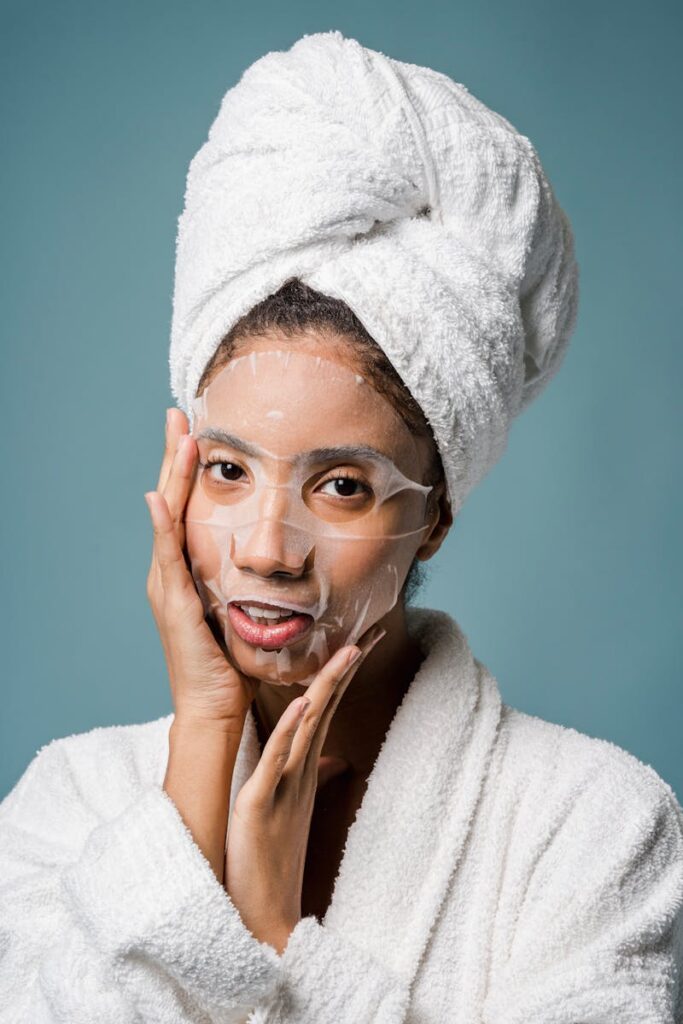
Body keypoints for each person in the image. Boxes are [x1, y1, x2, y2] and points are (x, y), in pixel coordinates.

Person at [1, 30, 682, 1024]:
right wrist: (199, 753)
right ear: (179, 471)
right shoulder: (68, 801)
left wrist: (282, 949)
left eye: (343, 487)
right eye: (227, 471)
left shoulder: (590, 826)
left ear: (435, 513)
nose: (267, 547)